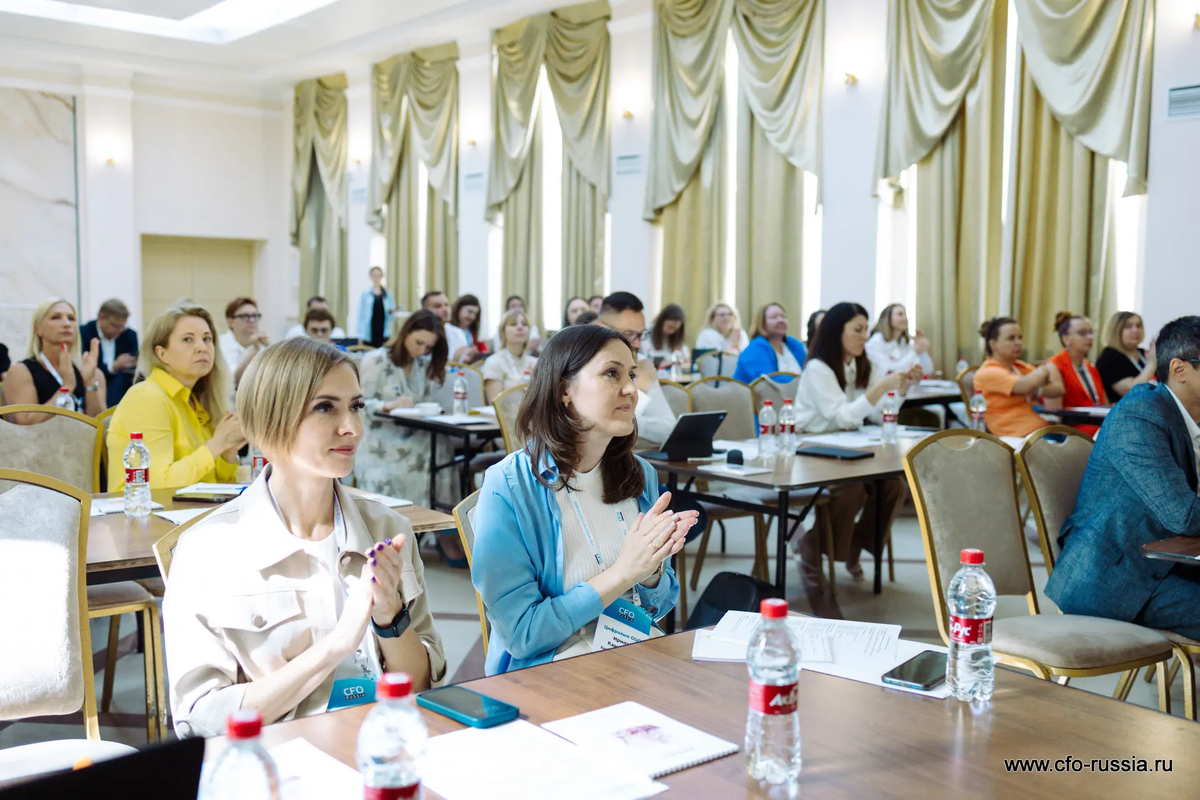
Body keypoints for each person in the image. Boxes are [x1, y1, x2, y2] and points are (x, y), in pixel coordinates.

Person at [163, 337, 445, 738]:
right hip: (274, 759)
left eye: (356, 406)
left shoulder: (387, 530)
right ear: (270, 421)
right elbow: (200, 720)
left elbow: (422, 687)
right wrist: (335, 647)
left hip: (382, 746)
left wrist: (390, 618)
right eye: (325, 407)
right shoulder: (206, 550)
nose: (352, 428)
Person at [471, 325, 697, 675]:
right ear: (564, 389)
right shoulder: (510, 485)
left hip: (632, 654)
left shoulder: (640, 474)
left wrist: (651, 568)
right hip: (549, 670)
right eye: (611, 374)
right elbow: (522, 634)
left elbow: (659, 604)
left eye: (631, 375)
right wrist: (623, 573)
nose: (631, 389)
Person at [1045, 316, 1200, 641]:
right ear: (1179, 369)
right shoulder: (1140, 416)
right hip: (1119, 576)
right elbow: (1184, 516)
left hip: (1174, 559)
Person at [792, 303, 917, 583]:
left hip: (848, 447)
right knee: (850, 489)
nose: (864, 337)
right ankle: (814, 544)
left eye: (865, 329)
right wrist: (881, 387)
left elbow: (878, 413)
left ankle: (856, 544)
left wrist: (903, 387)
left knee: (893, 486)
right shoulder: (817, 368)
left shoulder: (863, 364)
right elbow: (845, 417)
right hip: (812, 448)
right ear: (837, 332)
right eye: (857, 330)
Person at [355, 310, 463, 563]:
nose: (422, 350)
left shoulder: (422, 365)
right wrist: (387, 405)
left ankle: (444, 529)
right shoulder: (376, 360)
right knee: (428, 453)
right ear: (406, 333)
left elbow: (421, 401)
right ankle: (412, 531)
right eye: (418, 343)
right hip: (379, 435)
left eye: (428, 347)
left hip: (411, 431)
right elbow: (358, 403)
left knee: (442, 448)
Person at [107, 306, 244, 490]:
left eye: (207, 339)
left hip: (193, 507)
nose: (202, 348)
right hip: (145, 507)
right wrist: (217, 444)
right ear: (161, 353)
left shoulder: (195, 401)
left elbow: (213, 484)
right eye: (188, 339)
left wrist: (229, 450)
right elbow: (157, 485)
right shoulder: (148, 396)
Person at [4, 299, 106, 424]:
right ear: (37, 328)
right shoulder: (21, 371)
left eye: (71, 318)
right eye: (56, 317)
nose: (66, 324)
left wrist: (89, 382)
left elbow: (101, 424)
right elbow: (26, 422)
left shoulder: (93, 373)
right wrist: (66, 388)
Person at [597, 292, 675, 445]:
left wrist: (632, 421)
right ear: (602, 328)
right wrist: (641, 390)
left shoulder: (642, 367)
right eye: (629, 334)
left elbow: (668, 428)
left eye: (640, 334)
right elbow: (602, 425)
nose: (637, 343)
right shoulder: (588, 366)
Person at [973, 317, 1064, 437]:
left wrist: (1036, 387)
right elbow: (1025, 386)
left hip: (1041, 430)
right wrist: (1044, 370)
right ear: (993, 344)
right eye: (1011, 338)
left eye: (1020, 337)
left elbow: (1058, 389)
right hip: (1016, 437)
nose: (1018, 343)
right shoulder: (988, 372)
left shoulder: (1019, 367)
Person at [1044, 311, 1107, 437]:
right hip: (1073, 431)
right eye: (1082, 333)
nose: (1090, 337)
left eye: (1091, 332)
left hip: (1097, 425)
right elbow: (1054, 416)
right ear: (1066, 339)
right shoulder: (1054, 366)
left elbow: (1104, 404)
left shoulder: (1091, 367)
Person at [80, 298, 139, 407]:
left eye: (123, 326)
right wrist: (113, 367)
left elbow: (132, 371)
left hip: (121, 390)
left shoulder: (129, 336)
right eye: (115, 326)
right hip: (92, 387)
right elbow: (86, 369)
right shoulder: (84, 333)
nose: (120, 330)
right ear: (101, 317)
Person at [732, 303, 807, 385]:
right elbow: (768, 381)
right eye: (774, 317)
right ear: (762, 323)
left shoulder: (793, 344)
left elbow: (808, 372)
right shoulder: (755, 349)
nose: (780, 320)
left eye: (783, 317)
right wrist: (805, 383)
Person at [1096, 311, 1157, 401]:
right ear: (1116, 331)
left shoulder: (1143, 353)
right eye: (1128, 326)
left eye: (1138, 326)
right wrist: (1151, 363)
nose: (1135, 330)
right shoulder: (1109, 357)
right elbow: (1131, 391)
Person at [219, 297, 268, 406]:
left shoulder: (261, 346)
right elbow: (232, 384)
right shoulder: (220, 345)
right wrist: (253, 353)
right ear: (231, 321)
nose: (252, 321)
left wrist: (270, 347)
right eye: (245, 316)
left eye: (255, 316)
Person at [482, 308, 537, 403]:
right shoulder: (493, 362)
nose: (520, 327)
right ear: (503, 332)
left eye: (524, 324)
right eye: (513, 324)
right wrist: (522, 382)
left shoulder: (537, 362)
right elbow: (496, 404)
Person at [866, 303, 933, 378]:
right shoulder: (876, 341)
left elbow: (927, 370)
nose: (905, 318)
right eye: (900, 314)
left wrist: (921, 352)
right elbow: (889, 372)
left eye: (905, 315)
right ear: (888, 318)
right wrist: (915, 352)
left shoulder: (904, 342)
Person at [357, 267, 395, 348]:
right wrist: (360, 335)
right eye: (374, 275)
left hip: (383, 330)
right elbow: (361, 315)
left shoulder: (387, 294)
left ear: (381, 276)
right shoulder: (366, 294)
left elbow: (391, 316)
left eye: (378, 275)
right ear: (370, 277)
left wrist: (391, 312)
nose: (376, 277)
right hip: (369, 330)